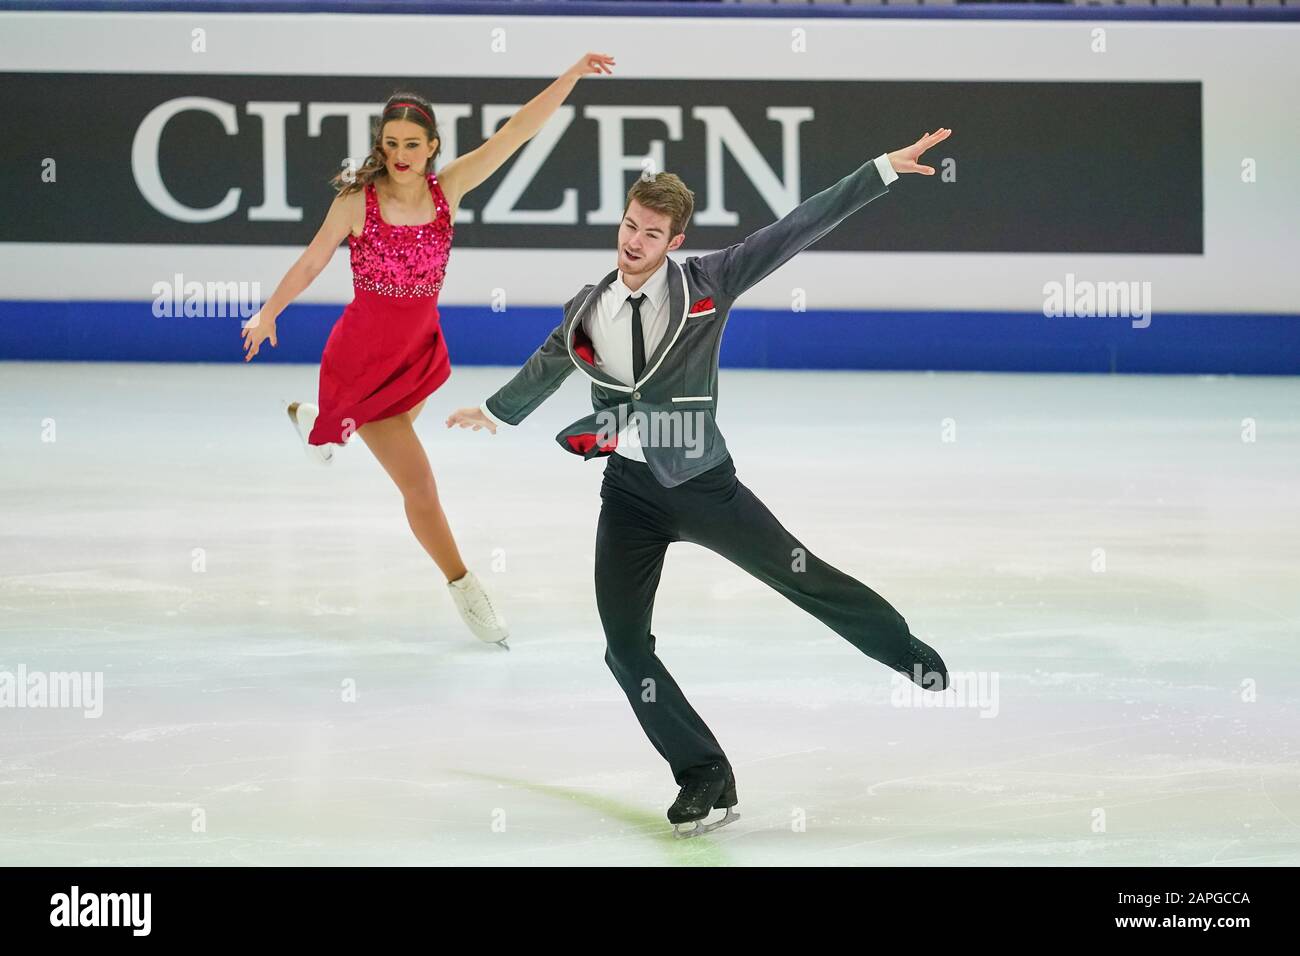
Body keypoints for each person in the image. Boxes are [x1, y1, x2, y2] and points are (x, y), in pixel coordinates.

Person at [447, 129, 955, 835]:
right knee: (624, 647)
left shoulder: (711, 282)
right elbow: (550, 359)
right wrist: (497, 412)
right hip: (627, 494)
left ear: (673, 240)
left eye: (651, 233)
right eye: (629, 225)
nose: (634, 241)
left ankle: (898, 646)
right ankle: (703, 772)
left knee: (798, 573)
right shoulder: (589, 304)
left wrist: (878, 170)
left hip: (702, 482)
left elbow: (794, 229)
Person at [241, 54, 616, 645]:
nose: (401, 153)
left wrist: (568, 78)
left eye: (413, 143)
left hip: (417, 352)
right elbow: (313, 261)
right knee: (420, 487)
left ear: (432, 145)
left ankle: (329, 426)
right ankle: (465, 586)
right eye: (391, 142)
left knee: (387, 432)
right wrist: (268, 313)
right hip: (363, 360)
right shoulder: (356, 202)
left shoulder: (449, 189)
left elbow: (516, 132)